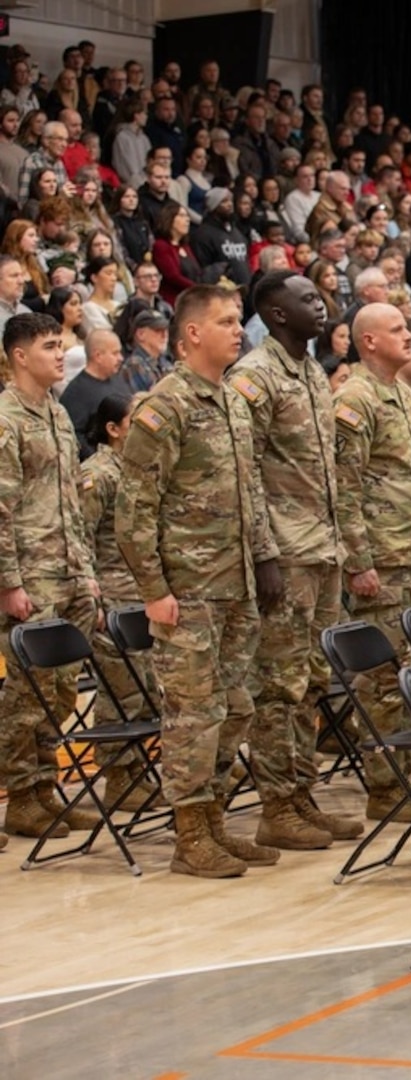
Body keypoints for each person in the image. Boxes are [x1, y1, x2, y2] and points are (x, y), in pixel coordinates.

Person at [115, 285, 284, 877]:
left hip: (234, 585)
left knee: (235, 706)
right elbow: (134, 506)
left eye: (240, 320)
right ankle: (190, 835)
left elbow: (251, 492)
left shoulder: (233, 401)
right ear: (191, 334)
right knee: (192, 714)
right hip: (188, 591)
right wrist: (153, 589)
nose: (240, 330)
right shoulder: (167, 406)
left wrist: (265, 556)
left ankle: (214, 819)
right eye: (227, 321)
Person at [232, 270, 362, 850]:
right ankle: (276, 804)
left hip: (322, 547)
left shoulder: (310, 370)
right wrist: (263, 555)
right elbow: (244, 474)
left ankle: (302, 796)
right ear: (277, 314)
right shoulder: (254, 377)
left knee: (311, 682)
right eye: (307, 298)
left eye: (320, 294)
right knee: (277, 686)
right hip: (285, 551)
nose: (322, 304)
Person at [333, 302, 411, 821]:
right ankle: (387, 785)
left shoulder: (406, 395)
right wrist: (358, 560)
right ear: (369, 341)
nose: (409, 335)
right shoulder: (354, 399)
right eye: (398, 329)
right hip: (382, 559)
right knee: (382, 677)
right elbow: (344, 487)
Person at [0, 313, 100, 845]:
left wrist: (86, 572)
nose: (61, 355)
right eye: (49, 346)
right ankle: (23, 796)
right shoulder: (6, 417)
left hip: (68, 571)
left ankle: (44, 792)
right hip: (29, 575)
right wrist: (9, 582)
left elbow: (70, 501)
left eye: (61, 345)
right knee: (26, 691)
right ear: (19, 355)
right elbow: (1, 508)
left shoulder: (58, 414)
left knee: (60, 690)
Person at [79, 392, 160, 806]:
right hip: (112, 597)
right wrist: (92, 597)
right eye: (135, 424)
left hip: (141, 597)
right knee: (120, 690)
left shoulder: (138, 470)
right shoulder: (99, 475)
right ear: (113, 430)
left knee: (147, 684)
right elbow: (83, 537)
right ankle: (119, 779)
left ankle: (139, 773)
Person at [59, 328, 123, 458]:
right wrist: (98, 461)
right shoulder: (76, 393)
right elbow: (74, 436)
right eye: (115, 353)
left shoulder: (119, 380)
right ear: (98, 356)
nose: (120, 358)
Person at [121, 308, 172, 393]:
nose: (164, 335)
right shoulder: (134, 365)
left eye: (166, 330)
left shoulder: (164, 362)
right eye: (158, 330)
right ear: (141, 334)